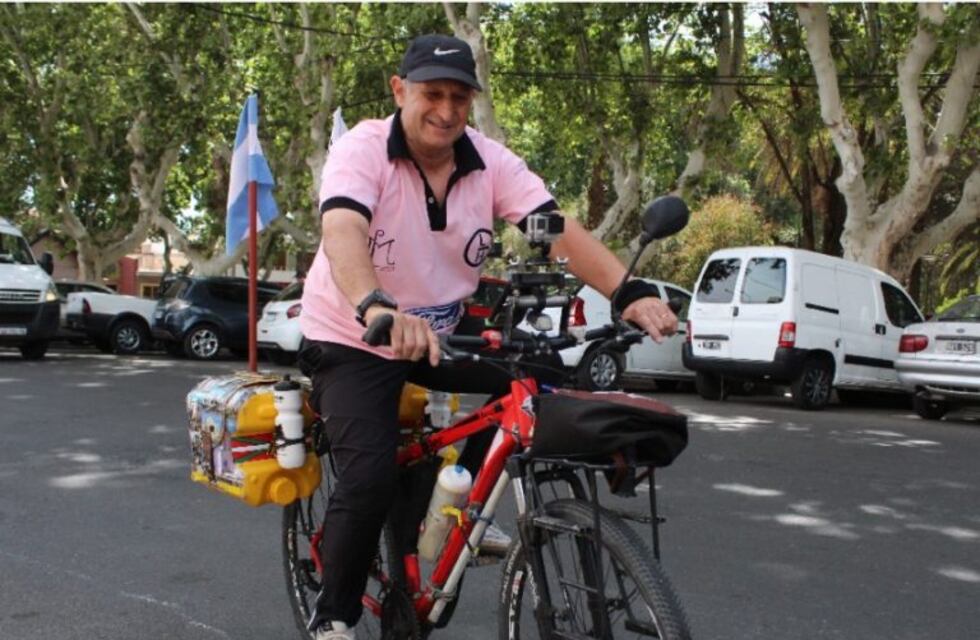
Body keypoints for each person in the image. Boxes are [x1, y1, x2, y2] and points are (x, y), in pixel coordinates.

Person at [297, 34, 678, 640]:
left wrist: (629, 294)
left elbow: (558, 231)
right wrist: (376, 305)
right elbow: (343, 228)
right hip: (354, 333)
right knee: (367, 476)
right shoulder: (362, 149)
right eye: (432, 94)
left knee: (542, 384)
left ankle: (459, 503)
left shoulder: (489, 161)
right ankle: (333, 615)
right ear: (400, 91)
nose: (446, 111)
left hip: (441, 329)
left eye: (459, 97)